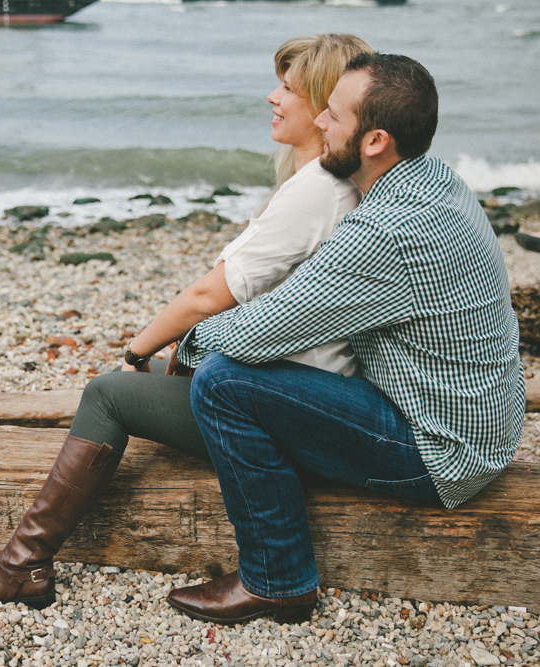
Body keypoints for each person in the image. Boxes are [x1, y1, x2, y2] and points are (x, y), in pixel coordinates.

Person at [0, 33, 374, 614]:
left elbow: (204, 296)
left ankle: (21, 569)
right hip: (294, 392)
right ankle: (22, 567)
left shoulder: (316, 190)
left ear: (322, 109)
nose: (271, 97)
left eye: (287, 89)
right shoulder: (329, 184)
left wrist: (139, 348)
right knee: (144, 386)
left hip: (278, 412)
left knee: (109, 394)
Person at [164, 53, 524, 625]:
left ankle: (276, 580)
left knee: (222, 381)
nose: (322, 124)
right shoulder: (437, 180)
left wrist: (185, 346)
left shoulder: (387, 230)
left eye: (333, 114)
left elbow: (265, 328)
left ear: (375, 139)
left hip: (441, 452)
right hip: (484, 427)